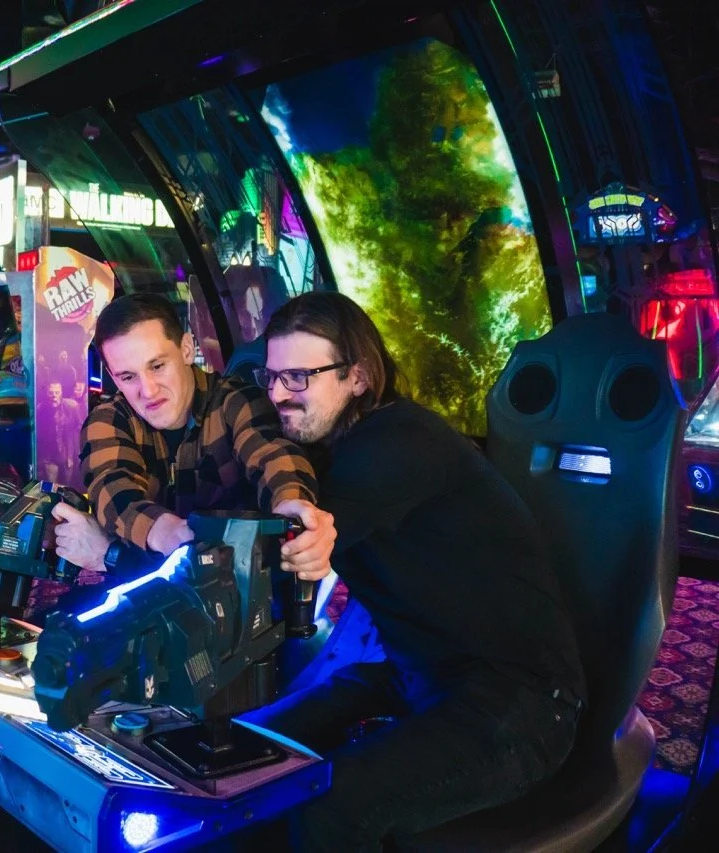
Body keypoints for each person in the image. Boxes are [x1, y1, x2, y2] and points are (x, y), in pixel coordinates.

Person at [245, 291, 585, 851]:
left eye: (300, 377)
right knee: (244, 752)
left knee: (331, 811)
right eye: (273, 376)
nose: (279, 394)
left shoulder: (401, 440)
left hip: (521, 701)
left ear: (357, 377)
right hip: (416, 672)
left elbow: (287, 539)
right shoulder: (329, 447)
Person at [49, 291, 334, 582]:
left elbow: (275, 458)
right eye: (128, 377)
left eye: (157, 366)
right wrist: (170, 534)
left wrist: (293, 510)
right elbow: (112, 488)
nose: (148, 391)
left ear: (186, 349)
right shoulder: (111, 418)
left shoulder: (235, 402)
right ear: (112, 375)